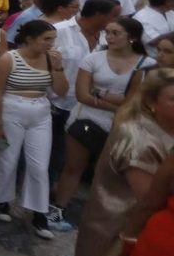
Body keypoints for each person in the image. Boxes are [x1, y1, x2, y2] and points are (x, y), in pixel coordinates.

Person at [67, 68, 174, 256]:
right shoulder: (139, 135)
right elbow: (148, 195)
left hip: (139, 225)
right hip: (113, 222)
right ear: (153, 102)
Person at [51, 17, 153, 218]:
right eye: (107, 32)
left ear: (131, 37)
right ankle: (59, 208)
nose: (109, 37)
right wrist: (117, 103)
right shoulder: (94, 59)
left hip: (124, 123)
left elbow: (136, 100)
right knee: (73, 167)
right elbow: (82, 95)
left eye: (116, 33)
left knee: (107, 173)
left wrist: (100, 94)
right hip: (86, 117)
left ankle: (100, 215)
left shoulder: (146, 64)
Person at [0, 20, 69, 238]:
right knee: (7, 159)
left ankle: (38, 211)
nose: (51, 43)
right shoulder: (9, 59)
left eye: (53, 39)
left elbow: (61, 91)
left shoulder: (50, 60)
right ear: (30, 39)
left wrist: (59, 67)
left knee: (39, 165)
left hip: (41, 111)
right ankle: (1, 200)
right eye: (47, 39)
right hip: (11, 108)